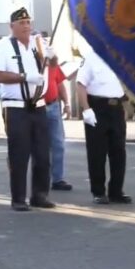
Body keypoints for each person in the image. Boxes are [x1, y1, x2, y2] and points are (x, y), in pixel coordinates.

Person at [0, 8, 56, 211]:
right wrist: (24, 77)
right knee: (19, 154)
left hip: (38, 106)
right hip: (16, 107)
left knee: (43, 154)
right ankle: (18, 198)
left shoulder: (38, 44)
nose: (26, 26)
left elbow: (52, 65)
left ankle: (40, 194)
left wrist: (52, 55)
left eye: (28, 22)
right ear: (12, 27)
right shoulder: (4, 46)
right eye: (22, 23)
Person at [76, 49, 132, 205]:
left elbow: (122, 84)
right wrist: (86, 109)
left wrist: (125, 106)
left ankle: (116, 191)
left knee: (119, 152)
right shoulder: (91, 58)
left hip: (116, 108)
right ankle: (98, 191)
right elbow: (80, 85)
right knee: (97, 152)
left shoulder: (119, 58)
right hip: (97, 107)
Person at [45, 53, 74, 192]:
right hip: (36, 107)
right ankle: (41, 179)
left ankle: (58, 179)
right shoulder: (32, 64)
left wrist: (67, 103)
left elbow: (60, 83)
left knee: (58, 144)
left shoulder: (53, 65)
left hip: (53, 106)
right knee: (39, 146)